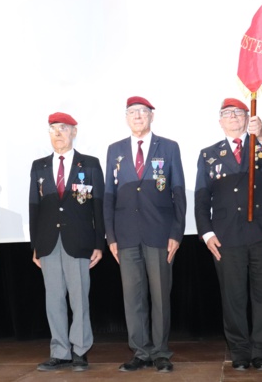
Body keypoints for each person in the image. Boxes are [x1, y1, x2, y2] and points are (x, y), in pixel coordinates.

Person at [194, 98, 262, 371]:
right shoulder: (208, 154)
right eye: (227, 113)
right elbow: (201, 199)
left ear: (249, 117)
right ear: (220, 121)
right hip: (227, 237)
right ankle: (239, 351)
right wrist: (207, 233)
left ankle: (261, 351)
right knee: (233, 297)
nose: (233, 116)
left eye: (238, 112)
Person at [103, 96, 186, 373]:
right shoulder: (114, 150)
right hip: (126, 237)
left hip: (160, 234)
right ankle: (140, 351)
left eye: (142, 112)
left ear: (152, 116)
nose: (137, 116)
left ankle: (161, 352)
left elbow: (177, 192)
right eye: (132, 112)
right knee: (132, 297)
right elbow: (109, 196)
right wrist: (111, 237)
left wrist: (176, 232)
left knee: (161, 295)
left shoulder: (169, 147)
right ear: (126, 118)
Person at [29, 112, 105, 372]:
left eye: (63, 128)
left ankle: (80, 351)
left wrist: (99, 244)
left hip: (79, 241)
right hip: (49, 242)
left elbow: (98, 206)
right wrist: (35, 245)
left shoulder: (90, 164)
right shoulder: (38, 165)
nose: (58, 133)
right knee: (54, 300)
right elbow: (34, 208)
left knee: (79, 299)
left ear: (74, 131)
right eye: (53, 129)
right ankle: (59, 351)